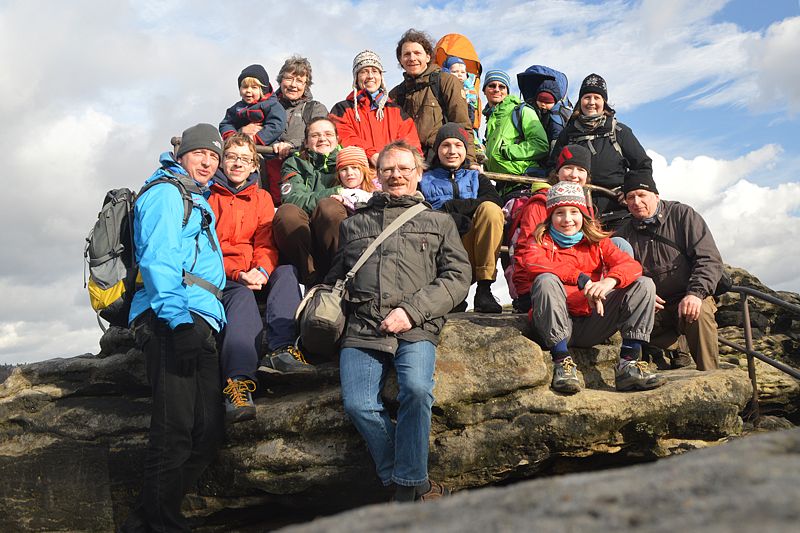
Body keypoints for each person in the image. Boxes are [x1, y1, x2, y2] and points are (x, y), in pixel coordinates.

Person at [326, 139, 471, 502]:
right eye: (389, 169)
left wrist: (412, 311)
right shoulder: (354, 225)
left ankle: (403, 491)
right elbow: (337, 276)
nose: (397, 176)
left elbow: (457, 276)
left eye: (405, 169)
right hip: (363, 327)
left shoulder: (439, 222)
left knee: (418, 390)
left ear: (418, 174)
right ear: (376, 176)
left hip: (418, 326)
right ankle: (412, 482)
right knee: (358, 405)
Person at [122, 124, 227, 532]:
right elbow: (159, 261)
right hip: (171, 320)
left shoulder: (195, 199)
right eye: (202, 153)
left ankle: (143, 521)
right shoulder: (166, 193)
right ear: (182, 154)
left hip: (199, 320)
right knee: (174, 432)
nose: (208, 162)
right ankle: (161, 524)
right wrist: (178, 321)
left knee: (208, 432)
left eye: (214, 157)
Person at [515, 181, 666, 394]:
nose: (567, 219)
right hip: (555, 323)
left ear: (583, 215)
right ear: (550, 217)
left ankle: (628, 365)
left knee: (643, 284)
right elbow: (532, 264)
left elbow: (631, 266)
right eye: (559, 213)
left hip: (593, 323)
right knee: (546, 280)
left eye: (574, 212)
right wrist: (581, 279)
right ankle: (562, 363)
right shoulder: (539, 240)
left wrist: (609, 281)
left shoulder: (597, 242)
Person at [208, 134, 312, 424]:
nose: (237, 163)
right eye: (231, 157)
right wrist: (238, 274)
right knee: (241, 298)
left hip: (255, 271)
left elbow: (266, 241)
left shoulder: (262, 197)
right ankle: (238, 383)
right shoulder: (207, 194)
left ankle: (282, 349)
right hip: (224, 276)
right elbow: (208, 248)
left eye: (245, 158)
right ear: (222, 160)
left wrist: (262, 270)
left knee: (287, 272)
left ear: (255, 165)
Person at [615, 175, 723, 371]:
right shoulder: (622, 235)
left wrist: (695, 294)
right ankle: (675, 347)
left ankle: (710, 376)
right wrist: (641, 294)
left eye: (641, 195)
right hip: (655, 307)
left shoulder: (683, 215)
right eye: (630, 197)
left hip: (688, 297)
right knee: (624, 317)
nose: (636, 202)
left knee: (700, 314)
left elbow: (708, 259)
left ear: (656, 196)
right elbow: (619, 271)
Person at [420, 123, 504, 313]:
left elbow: (494, 199)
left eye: (458, 146)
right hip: (440, 249)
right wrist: (448, 216)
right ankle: (452, 293)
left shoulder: (475, 177)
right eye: (446, 145)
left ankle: (484, 289)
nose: (452, 151)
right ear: (437, 149)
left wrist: (455, 206)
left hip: (472, 246)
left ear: (465, 150)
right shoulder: (423, 179)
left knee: (490, 210)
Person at [550, 73, 652, 228]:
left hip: (617, 214)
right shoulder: (568, 134)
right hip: (576, 215)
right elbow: (552, 166)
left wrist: (629, 189)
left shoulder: (619, 131)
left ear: (604, 102)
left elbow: (643, 165)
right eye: (587, 97)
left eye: (597, 98)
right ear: (580, 101)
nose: (591, 102)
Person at [272, 117, 345, 286]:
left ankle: (339, 274)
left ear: (337, 138)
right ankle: (309, 277)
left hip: (334, 233)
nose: (322, 139)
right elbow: (293, 199)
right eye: (315, 135)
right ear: (305, 142)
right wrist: (337, 191)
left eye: (328, 134)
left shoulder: (348, 160)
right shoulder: (294, 163)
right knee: (286, 213)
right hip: (304, 235)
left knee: (329, 208)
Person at [389, 29, 476, 165]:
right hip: (408, 163)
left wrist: (470, 161)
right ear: (400, 60)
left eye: (417, 53)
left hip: (441, 161)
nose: (412, 58)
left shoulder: (446, 81)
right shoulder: (395, 94)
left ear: (428, 57)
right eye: (406, 54)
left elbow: (462, 124)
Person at [330, 50, 422, 168]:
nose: (370, 76)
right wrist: (371, 154)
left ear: (381, 76)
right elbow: (344, 138)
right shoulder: (342, 110)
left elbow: (411, 145)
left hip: (393, 174)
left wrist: (391, 164)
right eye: (364, 71)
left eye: (375, 71)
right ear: (356, 78)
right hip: (360, 176)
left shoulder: (397, 111)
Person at [265, 56, 329, 206]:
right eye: (289, 78)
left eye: (300, 81)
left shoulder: (315, 109)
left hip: (303, 177)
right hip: (267, 178)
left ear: (306, 85)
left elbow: (321, 137)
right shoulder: (264, 107)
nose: (293, 85)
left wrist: (290, 144)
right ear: (280, 80)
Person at [482, 68, 549, 197]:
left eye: (502, 86)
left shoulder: (521, 111)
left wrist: (508, 151)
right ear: (484, 90)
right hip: (504, 187)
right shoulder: (490, 119)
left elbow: (541, 144)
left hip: (525, 182)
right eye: (491, 85)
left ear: (507, 91)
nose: (497, 89)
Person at [219, 64, 287, 149]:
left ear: (262, 89)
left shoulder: (272, 105)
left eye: (254, 87)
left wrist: (256, 138)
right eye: (245, 87)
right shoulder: (237, 107)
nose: (248, 91)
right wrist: (232, 137)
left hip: (266, 150)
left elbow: (276, 125)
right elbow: (226, 123)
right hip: (240, 146)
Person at [333, 145, 381, 212]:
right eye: (344, 169)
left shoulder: (380, 185)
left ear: (364, 170)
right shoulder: (340, 193)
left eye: (354, 167)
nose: (349, 173)